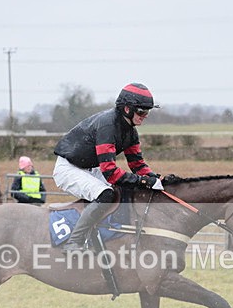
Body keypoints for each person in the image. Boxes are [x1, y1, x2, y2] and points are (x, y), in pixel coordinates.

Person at [53, 83, 163, 252]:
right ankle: (73, 242)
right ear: (127, 109)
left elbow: (137, 164)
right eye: (141, 111)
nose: (145, 116)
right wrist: (143, 181)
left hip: (90, 168)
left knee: (122, 191)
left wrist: (153, 178)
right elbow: (111, 172)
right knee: (106, 194)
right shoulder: (107, 126)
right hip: (69, 168)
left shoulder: (131, 132)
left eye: (147, 112)